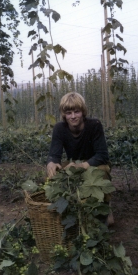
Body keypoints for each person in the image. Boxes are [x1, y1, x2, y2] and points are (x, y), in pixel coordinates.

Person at [46, 92, 114, 225]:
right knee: (52, 173)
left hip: (92, 164)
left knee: (103, 171)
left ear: (83, 112)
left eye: (76, 112)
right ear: (64, 114)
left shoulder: (94, 125)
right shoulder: (60, 128)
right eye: (69, 113)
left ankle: (105, 209)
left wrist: (82, 166)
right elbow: (55, 154)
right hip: (74, 164)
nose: (73, 116)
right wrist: (51, 163)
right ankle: (63, 210)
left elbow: (102, 155)